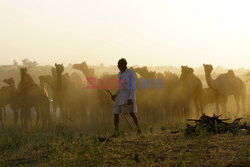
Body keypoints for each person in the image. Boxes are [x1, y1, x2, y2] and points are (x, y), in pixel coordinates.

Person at [111, 58, 141, 136]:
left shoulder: (130, 73)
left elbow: (132, 86)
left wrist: (130, 98)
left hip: (128, 97)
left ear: (124, 65)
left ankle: (138, 129)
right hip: (120, 97)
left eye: (119, 65)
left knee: (131, 113)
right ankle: (116, 131)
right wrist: (115, 94)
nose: (118, 66)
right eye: (117, 65)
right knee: (116, 113)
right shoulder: (119, 74)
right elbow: (120, 86)